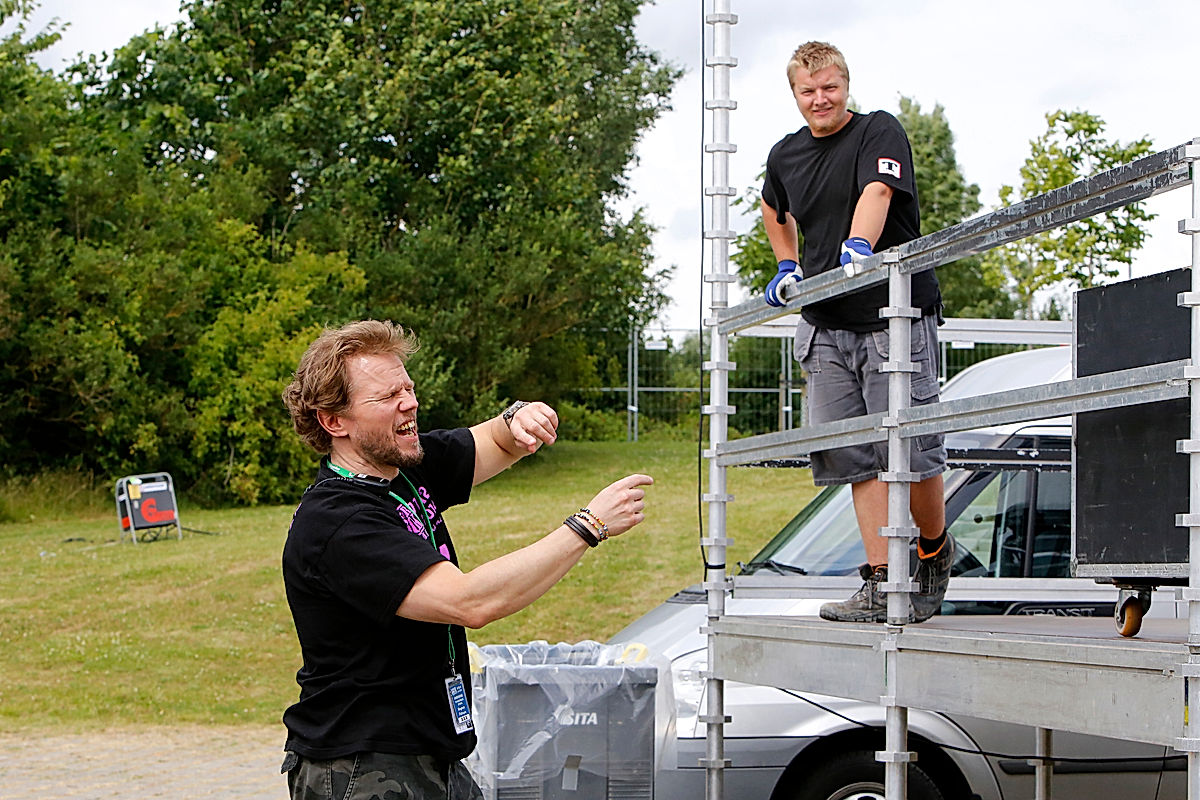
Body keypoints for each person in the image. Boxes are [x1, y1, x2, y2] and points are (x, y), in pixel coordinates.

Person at [278, 319, 653, 799]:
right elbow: (470, 601)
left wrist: (520, 418)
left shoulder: (405, 469)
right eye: (387, 396)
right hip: (362, 767)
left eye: (408, 388)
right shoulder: (338, 521)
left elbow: (498, 440)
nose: (409, 402)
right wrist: (587, 525)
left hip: (432, 755)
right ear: (335, 421)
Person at [759, 41, 952, 624]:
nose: (820, 99)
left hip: (892, 313)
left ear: (845, 85)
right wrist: (787, 263)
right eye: (807, 91)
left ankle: (932, 552)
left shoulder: (878, 130)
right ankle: (879, 580)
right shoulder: (785, 154)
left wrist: (860, 245)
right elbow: (772, 207)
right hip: (827, 323)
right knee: (854, 459)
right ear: (795, 94)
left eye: (829, 88)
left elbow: (878, 190)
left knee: (910, 449)